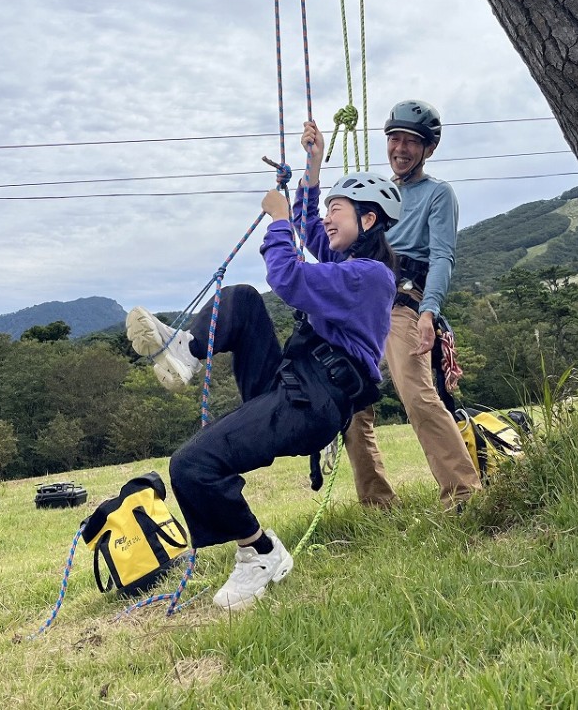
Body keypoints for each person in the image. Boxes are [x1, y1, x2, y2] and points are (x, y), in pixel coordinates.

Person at [125, 121, 400, 611]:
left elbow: (290, 276)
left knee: (192, 465)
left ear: (370, 222)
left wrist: (277, 222)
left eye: (339, 210)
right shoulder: (348, 266)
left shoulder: (369, 277)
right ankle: (185, 351)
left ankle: (261, 553)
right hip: (289, 381)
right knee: (244, 300)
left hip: (312, 401)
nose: (328, 219)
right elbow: (313, 230)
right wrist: (313, 169)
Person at [344, 99, 482, 510]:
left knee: (417, 395)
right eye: (394, 139)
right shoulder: (375, 194)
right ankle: (377, 504)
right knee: (350, 405)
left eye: (410, 142)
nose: (400, 149)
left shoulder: (437, 195)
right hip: (364, 304)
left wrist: (429, 311)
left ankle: (462, 494)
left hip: (405, 301)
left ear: (428, 149)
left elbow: (442, 257)